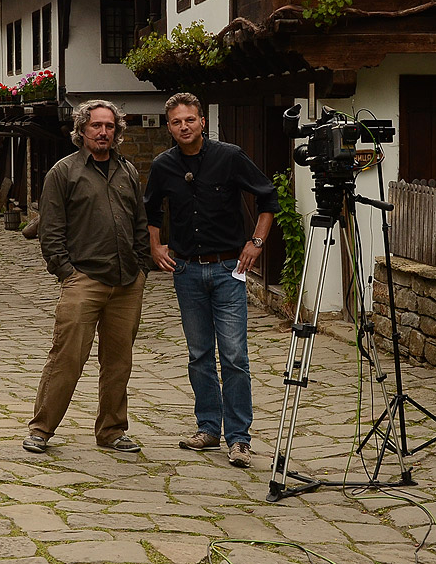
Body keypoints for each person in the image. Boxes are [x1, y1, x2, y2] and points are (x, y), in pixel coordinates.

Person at [144, 92, 278, 468]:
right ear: (169, 127)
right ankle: (208, 428)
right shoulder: (163, 165)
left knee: (234, 355)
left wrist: (256, 243)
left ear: (202, 121)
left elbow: (268, 198)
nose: (184, 127)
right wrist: (156, 247)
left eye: (190, 119)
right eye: (176, 122)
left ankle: (239, 439)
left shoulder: (230, 156)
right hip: (186, 271)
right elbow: (152, 209)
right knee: (199, 354)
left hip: (227, 270)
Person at [23, 99, 151, 454]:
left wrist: (141, 267)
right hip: (84, 280)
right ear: (81, 130)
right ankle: (41, 429)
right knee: (66, 358)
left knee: (118, 362)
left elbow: (140, 223)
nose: (103, 132)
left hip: (127, 283)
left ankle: (111, 430)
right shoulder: (63, 173)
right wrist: (66, 272)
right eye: (96, 126)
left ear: (117, 131)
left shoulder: (127, 171)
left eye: (110, 127)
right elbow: (50, 230)